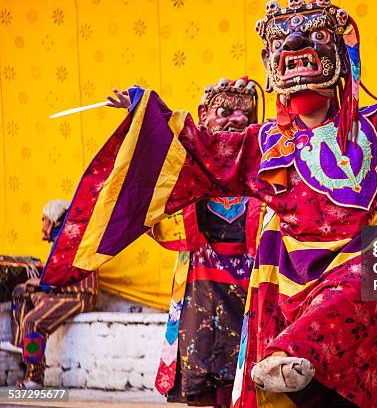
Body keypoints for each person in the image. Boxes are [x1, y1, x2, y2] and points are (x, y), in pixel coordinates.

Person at [42, 0, 377, 407]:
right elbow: (201, 152)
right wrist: (149, 110)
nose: (295, 52)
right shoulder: (261, 142)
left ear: (339, 62)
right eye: (284, 48)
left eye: (312, 44)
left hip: (361, 258)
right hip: (287, 270)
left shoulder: (375, 126)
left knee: (360, 279)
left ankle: (295, 352)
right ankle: (291, 360)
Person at [108, 77, 264, 407]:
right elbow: (160, 144)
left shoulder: (260, 162)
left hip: (249, 282)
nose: (233, 120)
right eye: (224, 111)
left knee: (246, 375)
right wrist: (138, 114)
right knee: (202, 366)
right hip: (201, 280)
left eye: (243, 115)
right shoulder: (191, 162)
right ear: (204, 114)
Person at [11, 200, 98, 389]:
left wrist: (41, 283)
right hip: (61, 292)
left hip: (78, 295)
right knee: (21, 292)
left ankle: (34, 377)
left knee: (32, 322)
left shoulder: (73, 239)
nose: (42, 226)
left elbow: (66, 275)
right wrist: (37, 285)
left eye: (44, 220)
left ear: (52, 221)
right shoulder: (62, 240)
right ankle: (22, 345)